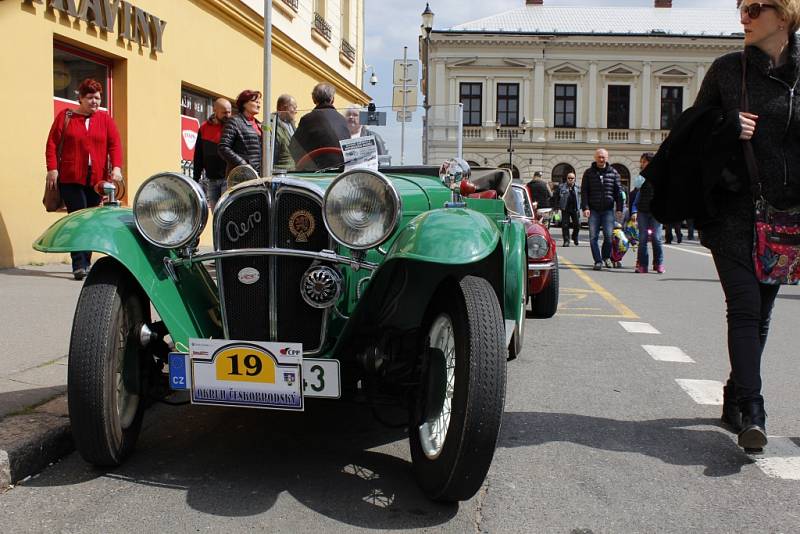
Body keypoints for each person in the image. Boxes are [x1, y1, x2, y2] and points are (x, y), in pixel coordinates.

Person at [662, 0, 800, 452]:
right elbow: (688, 133)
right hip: (731, 210)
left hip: (785, 216)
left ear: (784, 16)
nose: (743, 16)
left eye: (755, 8)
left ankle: (734, 394)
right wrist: (725, 125)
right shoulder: (727, 70)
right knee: (744, 306)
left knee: (761, 312)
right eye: (740, 8)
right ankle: (754, 411)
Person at [45, 78, 122, 280]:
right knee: (78, 217)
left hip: (96, 181)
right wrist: (52, 169)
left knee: (91, 222)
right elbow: (52, 144)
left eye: (97, 98)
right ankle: (79, 264)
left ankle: (86, 262)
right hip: (70, 178)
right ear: (80, 98)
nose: (95, 102)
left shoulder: (105, 120)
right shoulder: (66, 116)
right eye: (90, 98)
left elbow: (115, 145)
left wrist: (116, 168)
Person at [290, 83, 351, 171]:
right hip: (340, 172)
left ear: (314, 99)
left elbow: (294, 147)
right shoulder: (343, 120)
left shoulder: (308, 119)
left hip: (315, 173)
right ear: (332, 99)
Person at [580, 148, 623, 270]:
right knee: (593, 237)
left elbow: (618, 192)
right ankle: (598, 261)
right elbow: (584, 192)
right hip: (593, 210)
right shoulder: (588, 173)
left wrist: (619, 208)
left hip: (608, 210)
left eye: (603, 157)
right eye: (599, 156)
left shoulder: (613, 173)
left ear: (607, 158)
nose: (601, 159)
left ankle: (605, 257)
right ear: (595, 158)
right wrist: (585, 207)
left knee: (609, 237)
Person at [193, 97, 231, 209]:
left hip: (227, 178)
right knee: (216, 214)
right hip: (211, 180)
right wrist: (196, 178)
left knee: (225, 212)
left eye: (229, 112)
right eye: (224, 112)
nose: (228, 115)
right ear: (215, 110)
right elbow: (198, 155)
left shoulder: (232, 127)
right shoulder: (204, 128)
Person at [630, 152, 664, 273]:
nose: (642, 164)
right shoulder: (642, 175)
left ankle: (658, 263)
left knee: (656, 238)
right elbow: (637, 185)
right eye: (641, 162)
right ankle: (643, 265)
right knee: (643, 238)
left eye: (644, 161)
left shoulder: (660, 174)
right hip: (643, 211)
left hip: (656, 211)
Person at [219, 89, 263, 177]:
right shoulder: (234, 121)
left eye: (259, 102)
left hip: (258, 174)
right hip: (241, 176)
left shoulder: (260, 125)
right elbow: (223, 147)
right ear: (244, 104)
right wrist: (243, 165)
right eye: (255, 102)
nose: (259, 105)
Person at [556, 172, 581, 247]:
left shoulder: (578, 187)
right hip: (565, 208)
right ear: (566, 179)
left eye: (572, 178)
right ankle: (566, 241)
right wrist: (556, 207)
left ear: (574, 179)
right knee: (565, 225)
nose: (570, 180)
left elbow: (582, 197)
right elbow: (557, 197)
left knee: (577, 225)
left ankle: (574, 236)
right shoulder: (561, 187)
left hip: (575, 208)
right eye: (569, 178)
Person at [273, 93, 297, 169]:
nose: (296, 111)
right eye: (294, 108)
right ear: (284, 108)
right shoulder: (271, 124)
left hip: (294, 171)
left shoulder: (292, 125)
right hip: (279, 172)